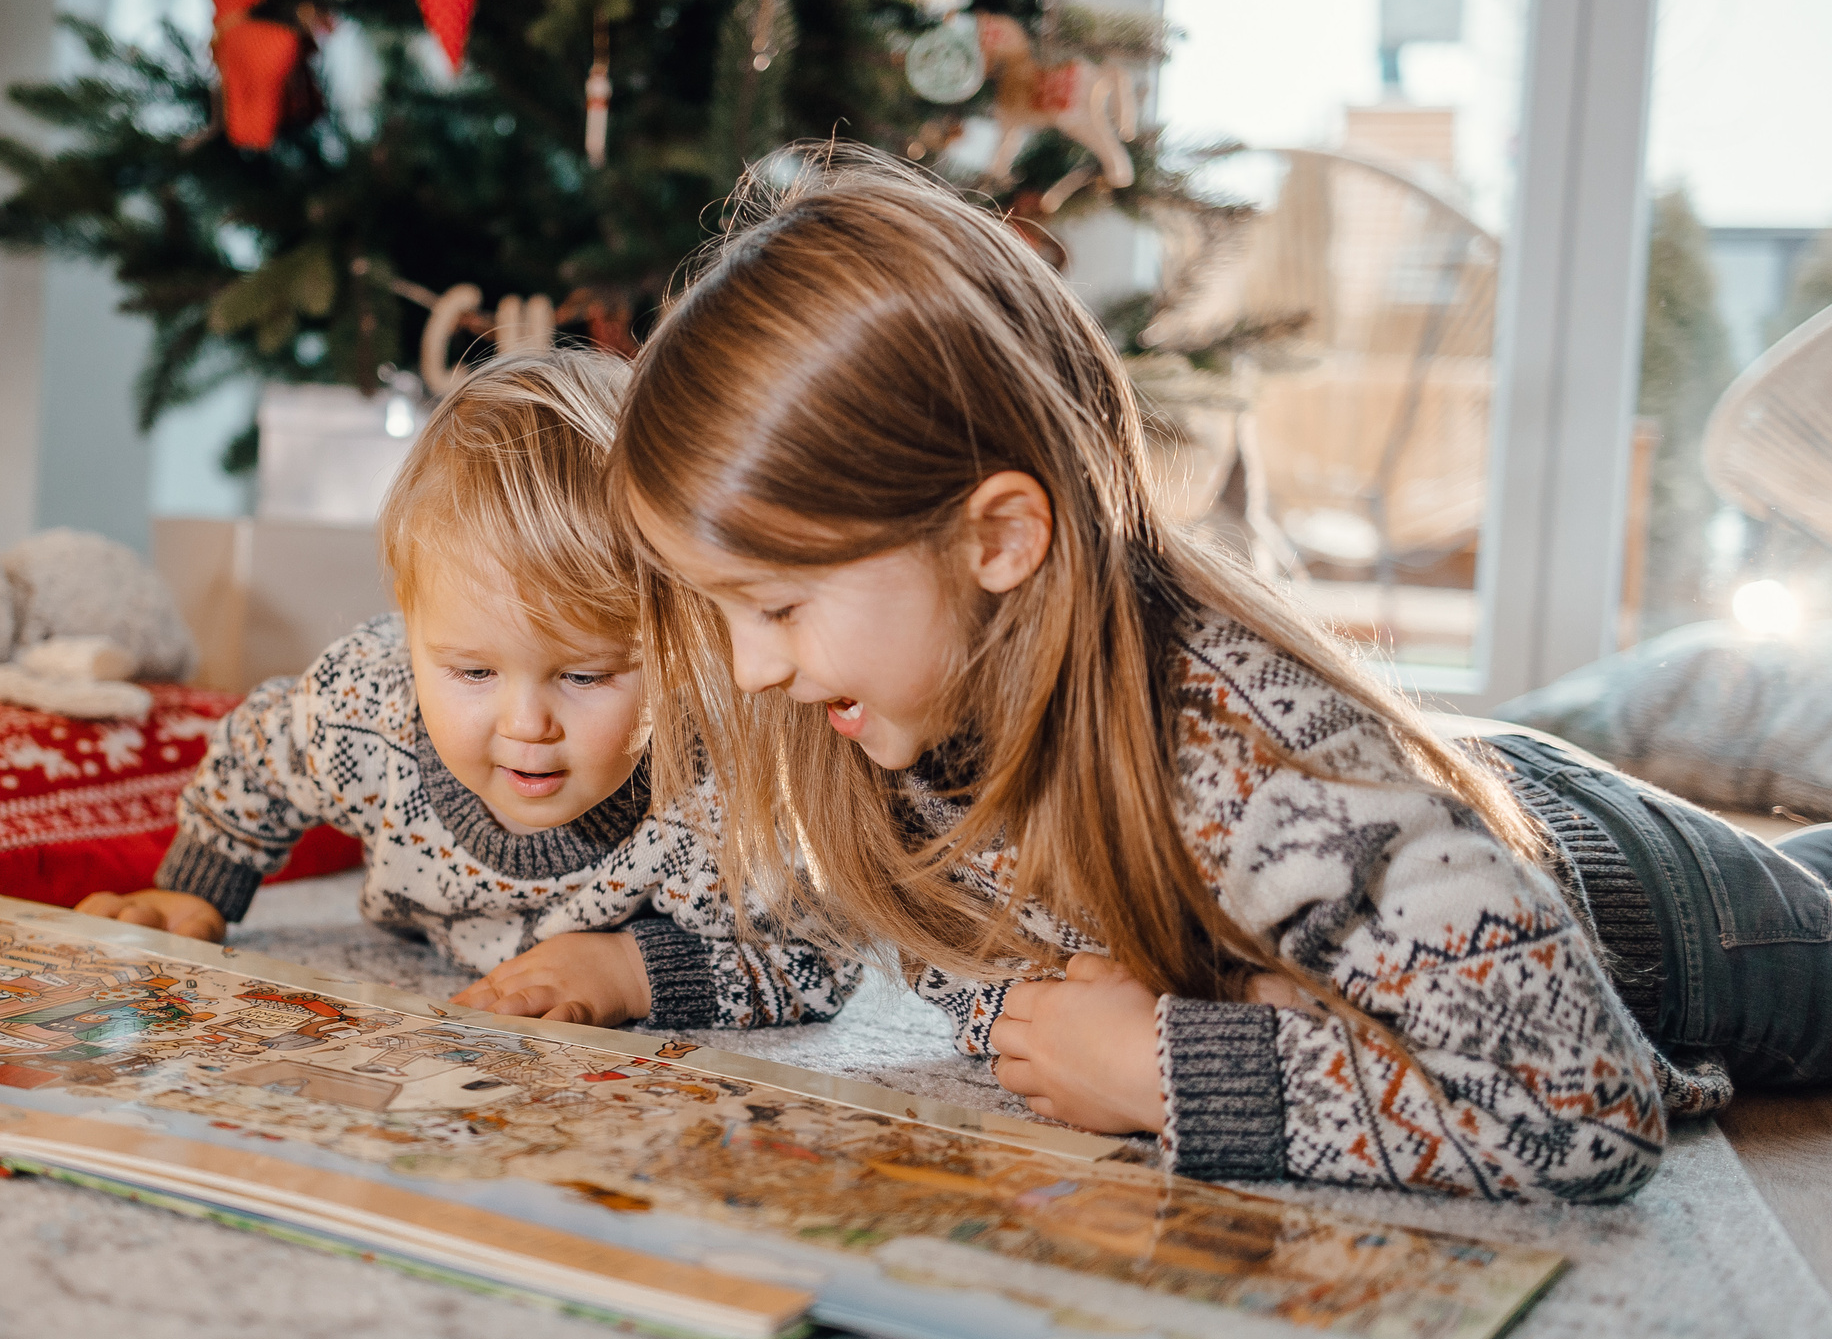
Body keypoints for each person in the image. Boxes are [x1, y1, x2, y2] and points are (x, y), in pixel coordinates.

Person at [612, 144, 1832, 1201]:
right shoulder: (896, 710)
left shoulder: (1265, 766)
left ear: (998, 540)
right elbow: (988, 984)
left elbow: (1580, 1109)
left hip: (1665, 915)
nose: (749, 667)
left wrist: (1166, 1069)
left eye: (777, 606)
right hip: (1445, 818)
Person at [77, 349, 859, 1032]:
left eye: (584, 675)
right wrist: (201, 888)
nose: (526, 723)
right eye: (474, 672)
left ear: (675, 648)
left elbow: (822, 960)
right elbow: (259, 753)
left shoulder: (712, 791)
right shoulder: (365, 704)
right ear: (411, 625)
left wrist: (631, 969)